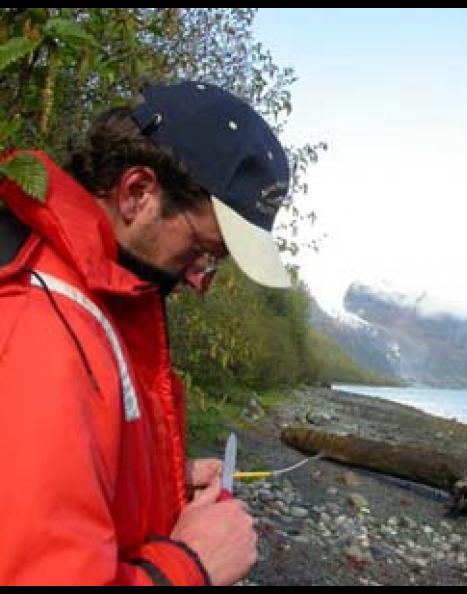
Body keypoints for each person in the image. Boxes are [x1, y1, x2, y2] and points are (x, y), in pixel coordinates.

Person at [0, 80, 292, 585]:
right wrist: (191, 568)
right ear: (137, 192)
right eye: (202, 249)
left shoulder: (98, 298)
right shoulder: (43, 326)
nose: (199, 280)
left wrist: (163, 482)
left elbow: (62, 492)